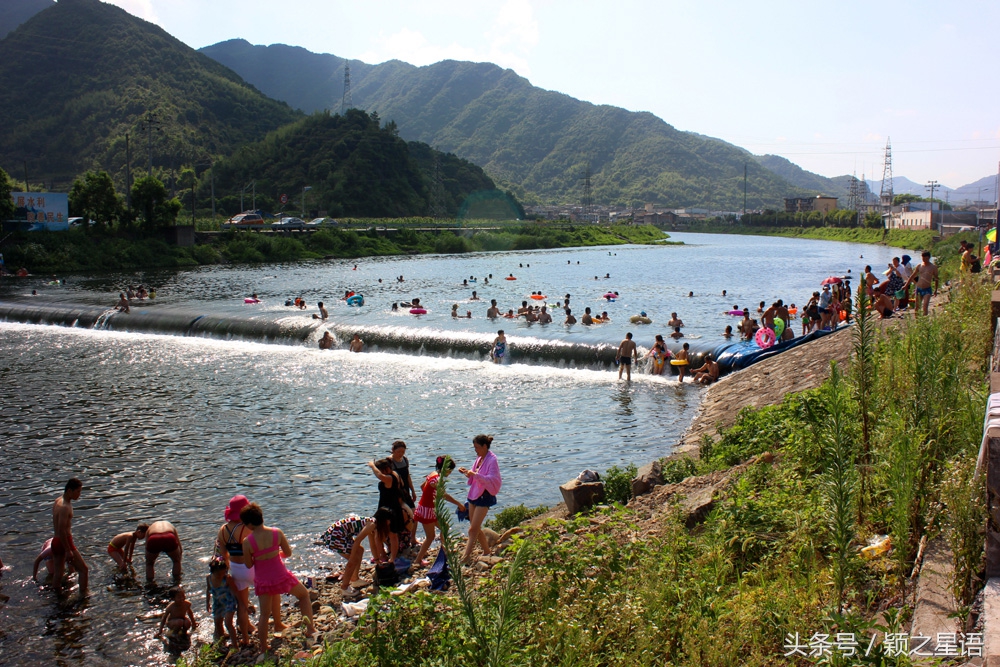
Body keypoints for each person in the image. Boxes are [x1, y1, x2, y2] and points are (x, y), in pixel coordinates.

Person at [240, 502, 316, 652]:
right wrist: (276, 555)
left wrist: (261, 558)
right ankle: (310, 629)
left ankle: (263, 646)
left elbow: (248, 564)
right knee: (304, 595)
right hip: (281, 575)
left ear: (249, 524)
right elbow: (288, 553)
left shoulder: (248, 542)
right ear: (261, 517)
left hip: (263, 581)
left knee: (264, 614)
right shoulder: (277, 533)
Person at [321, 509, 392, 600]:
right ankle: (344, 588)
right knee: (353, 559)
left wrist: (377, 560)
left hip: (341, 533)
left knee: (360, 550)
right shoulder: (371, 524)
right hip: (336, 535)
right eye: (389, 521)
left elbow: (372, 544)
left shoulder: (373, 525)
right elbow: (358, 539)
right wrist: (352, 557)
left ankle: (355, 579)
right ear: (384, 519)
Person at [215, 495, 257, 645]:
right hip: (250, 567)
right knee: (268, 592)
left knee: (242, 604)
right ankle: (273, 621)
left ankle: (245, 637)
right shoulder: (248, 528)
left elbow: (223, 555)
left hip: (235, 568)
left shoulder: (223, 530)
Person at [413, 456, 466, 566]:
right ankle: (418, 560)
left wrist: (430, 495)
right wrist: (459, 504)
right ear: (446, 469)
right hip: (427, 510)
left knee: (444, 527)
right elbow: (444, 495)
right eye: (450, 471)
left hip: (428, 508)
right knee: (430, 537)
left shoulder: (433, 474)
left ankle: (445, 550)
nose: (449, 474)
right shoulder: (437, 479)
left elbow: (422, 486)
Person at [459, 435, 502, 565]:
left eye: (477, 447)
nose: (475, 450)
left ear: (484, 446)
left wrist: (474, 475)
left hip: (485, 495)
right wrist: (467, 472)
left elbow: (492, 479)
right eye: (474, 448)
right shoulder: (479, 459)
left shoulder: (492, 460)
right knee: (475, 528)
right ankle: (487, 551)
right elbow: (474, 474)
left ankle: (466, 556)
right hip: (474, 494)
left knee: (472, 529)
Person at [52, 477, 88, 596]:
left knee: (58, 573)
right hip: (64, 542)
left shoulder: (58, 500)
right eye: (78, 491)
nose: (79, 494)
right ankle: (84, 596)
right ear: (69, 491)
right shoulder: (65, 507)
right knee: (83, 570)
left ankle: (57, 597)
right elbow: (62, 529)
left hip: (55, 541)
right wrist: (68, 550)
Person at [367, 458, 409, 561]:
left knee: (382, 534)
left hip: (387, 509)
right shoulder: (395, 474)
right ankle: (388, 557)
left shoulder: (390, 478)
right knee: (389, 534)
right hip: (392, 507)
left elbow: (380, 476)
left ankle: (387, 557)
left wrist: (372, 466)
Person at [206, 557, 241, 644]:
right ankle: (222, 643)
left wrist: (242, 604)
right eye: (219, 574)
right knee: (218, 623)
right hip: (217, 602)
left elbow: (235, 591)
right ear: (213, 572)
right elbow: (208, 590)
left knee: (228, 623)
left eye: (223, 573)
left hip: (229, 602)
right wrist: (207, 602)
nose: (221, 576)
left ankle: (234, 644)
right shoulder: (209, 578)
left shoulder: (227, 579)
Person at [905, 251, 939, 316]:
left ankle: (924, 322)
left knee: (925, 306)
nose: (923, 259)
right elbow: (912, 276)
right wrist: (906, 285)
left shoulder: (933, 267)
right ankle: (917, 323)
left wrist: (936, 290)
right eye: (922, 257)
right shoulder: (919, 266)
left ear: (928, 257)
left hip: (927, 289)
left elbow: (936, 279)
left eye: (925, 258)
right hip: (919, 288)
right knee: (917, 307)